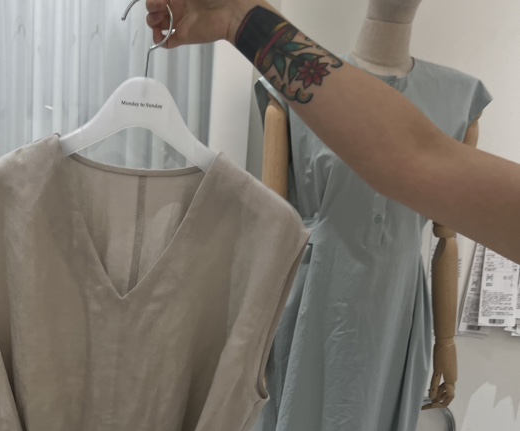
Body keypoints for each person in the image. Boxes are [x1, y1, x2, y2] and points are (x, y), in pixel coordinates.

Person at [145, 0, 520, 263]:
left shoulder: (460, 96)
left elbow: (415, 159)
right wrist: (236, 16)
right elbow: (411, 157)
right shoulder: (283, 105)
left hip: (400, 310)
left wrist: (238, 16)